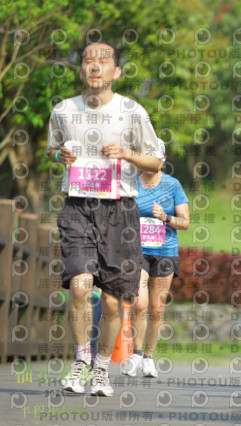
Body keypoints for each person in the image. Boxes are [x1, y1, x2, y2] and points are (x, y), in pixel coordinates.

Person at [47, 41, 163, 396]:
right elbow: (52, 148)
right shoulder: (64, 110)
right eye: (88, 60)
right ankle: (81, 361)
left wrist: (127, 153)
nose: (95, 65)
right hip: (78, 206)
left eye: (104, 60)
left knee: (113, 302)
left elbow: (156, 161)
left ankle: (101, 368)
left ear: (116, 72)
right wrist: (59, 156)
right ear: (81, 70)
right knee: (80, 286)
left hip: (120, 211)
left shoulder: (132, 111)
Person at [123, 139, 190, 378]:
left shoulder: (173, 185)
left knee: (156, 308)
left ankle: (149, 356)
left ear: (163, 160)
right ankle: (136, 353)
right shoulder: (130, 184)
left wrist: (165, 217)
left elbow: (185, 222)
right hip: (137, 251)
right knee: (139, 303)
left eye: (154, 157)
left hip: (165, 251)